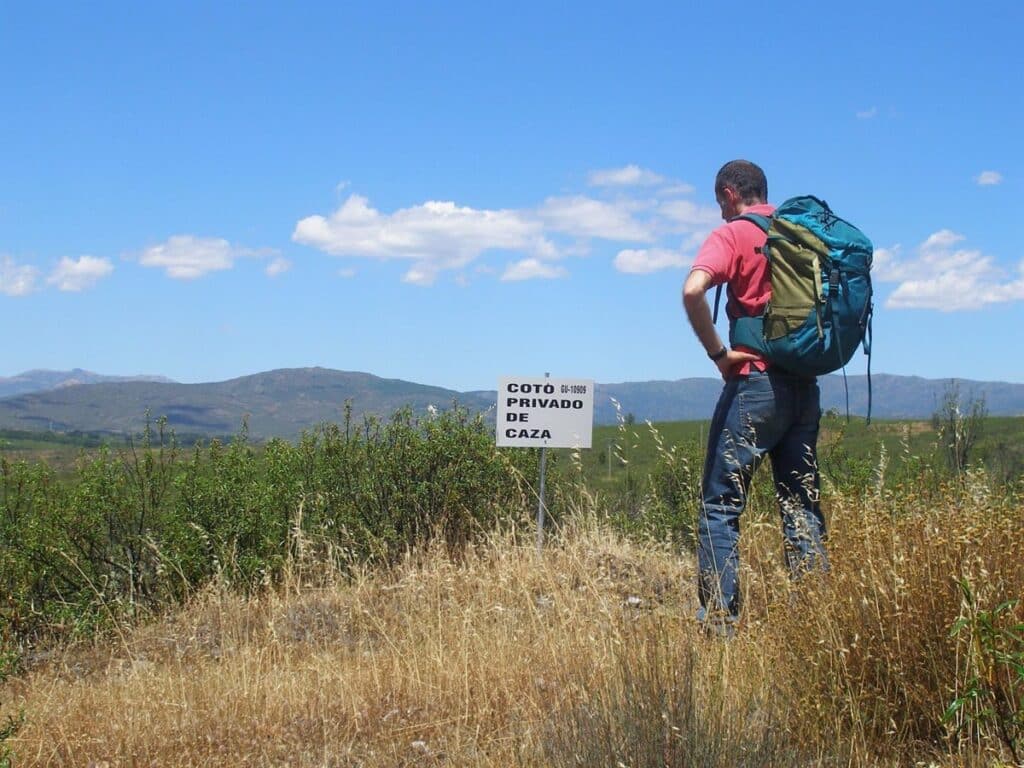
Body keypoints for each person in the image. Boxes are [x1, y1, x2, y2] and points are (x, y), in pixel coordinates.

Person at [682, 159, 828, 635]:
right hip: (804, 388)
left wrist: (718, 354)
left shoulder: (734, 234)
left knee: (720, 504)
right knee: (800, 502)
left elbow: (692, 291)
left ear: (728, 193)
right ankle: (816, 622)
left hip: (755, 384)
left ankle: (721, 624)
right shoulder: (798, 234)